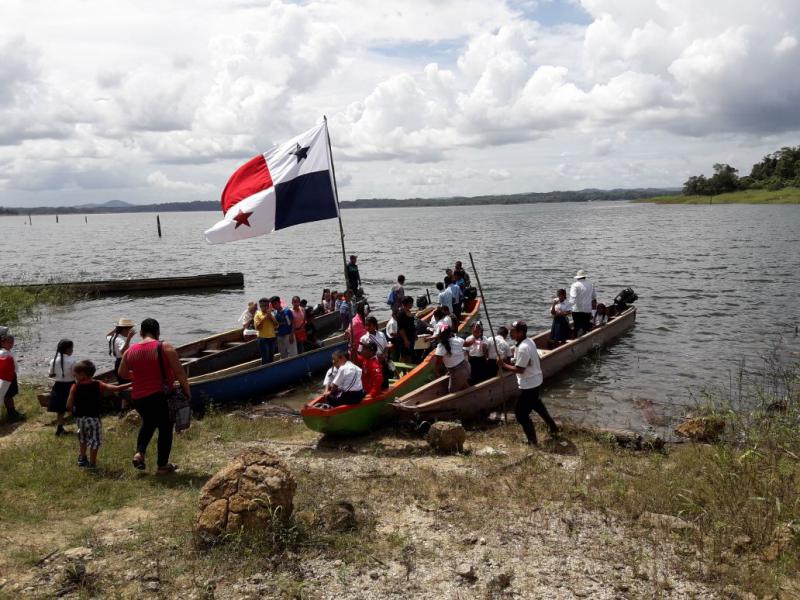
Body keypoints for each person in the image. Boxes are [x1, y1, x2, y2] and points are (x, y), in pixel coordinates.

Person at [118, 318, 191, 475]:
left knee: (148, 423)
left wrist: (139, 376)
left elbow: (122, 373)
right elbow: (180, 373)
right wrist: (187, 391)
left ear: (141, 333)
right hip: (160, 396)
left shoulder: (129, 351)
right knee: (165, 428)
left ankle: (140, 453)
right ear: (158, 332)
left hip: (138, 397)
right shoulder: (165, 347)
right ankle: (162, 466)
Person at [497, 321, 559, 445]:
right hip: (535, 380)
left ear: (520, 332)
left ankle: (532, 440)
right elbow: (525, 362)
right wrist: (512, 361)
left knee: (520, 414)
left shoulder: (524, 347)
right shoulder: (528, 342)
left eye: (513, 331)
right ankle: (553, 428)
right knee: (537, 405)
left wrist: (503, 365)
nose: (510, 333)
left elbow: (520, 369)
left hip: (529, 384)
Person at [67, 360, 128, 469]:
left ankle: (82, 458)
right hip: (93, 418)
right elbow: (116, 388)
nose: (74, 376)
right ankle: (92, 464)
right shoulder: (98, 384)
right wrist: (132, 383)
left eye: (75, 374)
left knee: (83, 437)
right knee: (94, 440)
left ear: (82, 375)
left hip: (80, 418)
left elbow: (69, 405)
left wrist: (72, 411)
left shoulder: (75, 387)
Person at [47, 338, 76, 436]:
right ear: (67, 349)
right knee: (75, 406)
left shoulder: (53, 360)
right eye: (72, 348)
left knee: (60, 409)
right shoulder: (72, 360)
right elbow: (75, 375)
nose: (72, 350)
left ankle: (59, 428)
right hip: (70, 385)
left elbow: (51, 374)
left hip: (58, 386)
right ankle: (81, 426)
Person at [434, 327, 470, 393]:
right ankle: (472, 392)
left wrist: (437, 373)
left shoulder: (441, 346)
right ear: (450, 333)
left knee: (452, 391)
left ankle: (471, 397)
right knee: (463, 383)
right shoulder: (457, 340)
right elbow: (467, 344)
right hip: (466, 367)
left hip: (458, 372)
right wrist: (475, 337)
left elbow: (438, 363)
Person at [0, 333, 22, 422]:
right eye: (8, 342)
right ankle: (12, 414)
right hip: (7, 378)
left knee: (9, 395)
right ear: (2, 343)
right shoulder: (3, 353)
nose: (11, 344)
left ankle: (12, 412)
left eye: (12, 342)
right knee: (8, 396)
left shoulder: (7, 351)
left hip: (10, 376)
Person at [106, 318, 136, 383]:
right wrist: (129, 338)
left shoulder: (113, 337)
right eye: (130, 329)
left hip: (117, 363)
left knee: (121, 381)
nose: (131, 331)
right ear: (124, 330)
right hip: (123, 364)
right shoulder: (121, 340)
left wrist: (115, 330)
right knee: (125, 382)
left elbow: (107, 336)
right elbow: (123, 352)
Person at [569, 269, 597, 337]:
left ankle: (576, 339)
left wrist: (568, 307)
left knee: (577, 326)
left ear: (577, 277)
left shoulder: (575, 285)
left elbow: (573, 297)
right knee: (586, 326)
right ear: (585, 277)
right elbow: (594, 296)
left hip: (576, 310)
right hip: (587, 309)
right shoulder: (591, 284)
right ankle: (585, 339)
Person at [254, 297, 278, 364]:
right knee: (265, 358)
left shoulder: (272, 314)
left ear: (268, 306)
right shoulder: (257, 314)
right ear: (260, 306)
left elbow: (276, 325)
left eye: (266, 306)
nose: (264, 307)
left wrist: (270, 317)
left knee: (271, 358)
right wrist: (265, 317)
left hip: (272, 338)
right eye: (262, 306)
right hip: (263, 339)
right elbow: (258, 327)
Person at [396, 297, 417, 362]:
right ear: (406, 304)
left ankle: (409, 369)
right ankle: (402, 370)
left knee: (409, 354)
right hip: (404, 338)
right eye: (410, 303)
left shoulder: (408, 311)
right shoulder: (401, 314)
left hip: (410, 337)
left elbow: (412, 325)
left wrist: (415, 335)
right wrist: (405, 340)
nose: (411, 305)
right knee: (404, 355)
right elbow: (401, 329)